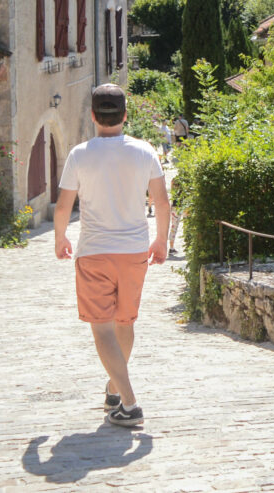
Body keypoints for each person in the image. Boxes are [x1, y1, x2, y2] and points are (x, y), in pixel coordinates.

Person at [54, 84, 169, 429]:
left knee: (102, 329)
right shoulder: (145, 151)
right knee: (125, 323)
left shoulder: (79, 155)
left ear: (92, 116)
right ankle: (114, 390)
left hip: (95, 252)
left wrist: (60, 237)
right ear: (125, 115)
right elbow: (162, 202)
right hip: (134, 251)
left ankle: (129, 404)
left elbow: (63, 205)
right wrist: (161, 240)